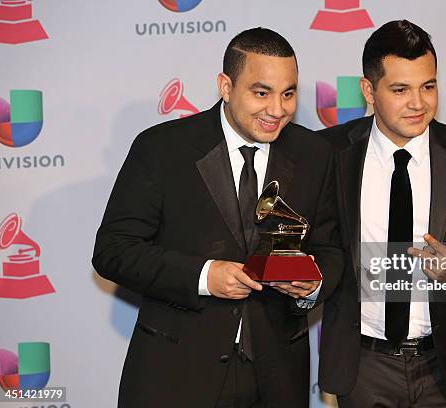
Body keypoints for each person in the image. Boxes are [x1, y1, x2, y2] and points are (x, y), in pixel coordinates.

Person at [92, 27, 343, 408]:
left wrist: (313, 284)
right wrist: (204, 276)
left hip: (278, 378)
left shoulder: (315, 154)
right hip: (175, 375)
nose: (278, 109)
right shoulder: (162, 148)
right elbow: (113, 251)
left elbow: (330, 248)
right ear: (226, 86)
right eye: (262, 92)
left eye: (288, 93)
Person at [318, 20, 446, 407]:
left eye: (428, 86)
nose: (419, 102)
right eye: (400, 89)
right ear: (368, 90)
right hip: (362, 368)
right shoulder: (328, 154)